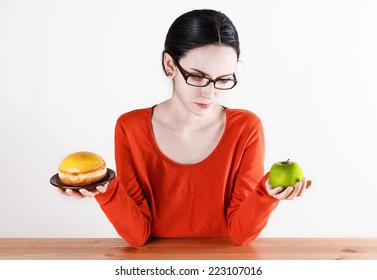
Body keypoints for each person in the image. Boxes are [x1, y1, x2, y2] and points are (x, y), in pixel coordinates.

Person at [57, 9, 309, 246]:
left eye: (222, 80)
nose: (210, 93)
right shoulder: (130, 127)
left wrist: (267, 194)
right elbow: (138, 235)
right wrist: (105, 189)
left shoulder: (246, 128)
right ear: (170, 65)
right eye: (198, 77)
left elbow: (240, 234)